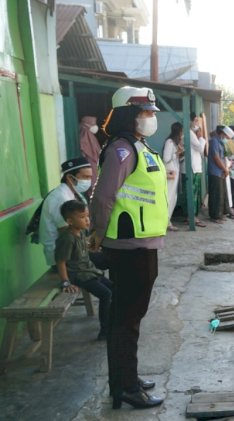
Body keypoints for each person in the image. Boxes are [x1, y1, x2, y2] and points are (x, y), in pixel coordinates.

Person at [91, 86, 165, 409]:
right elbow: (103, 197)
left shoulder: (139, 147)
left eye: (151, 113)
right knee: (126, 322)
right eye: (144, 113)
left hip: (143, 245)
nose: (150, 118)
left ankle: (124, 380)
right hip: (129, 248)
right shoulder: (121, 150)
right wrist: (98, 233)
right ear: (128, 116)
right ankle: (126, 388)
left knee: (129, 319)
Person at [55, 200, 112, 341]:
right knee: (105, 294)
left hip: (89, 271)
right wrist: (66, 283)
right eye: (82, 217)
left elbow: (83, 249)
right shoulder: (67, 238)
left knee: (114, 289)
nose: (87, 220)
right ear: (69, 221)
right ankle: (105, 331)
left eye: (87, 216)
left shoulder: (80, 233)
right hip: (79, 275)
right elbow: (60, 261)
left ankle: (113, 322)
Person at [39, 157, 92, 268]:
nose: (88, 181)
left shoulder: (72, 193)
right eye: (85, 177)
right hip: (64, 257)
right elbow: (66, 232)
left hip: (74, 251)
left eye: (90, 177)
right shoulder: (61, 198)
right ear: (70, 178)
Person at [180, 113, 207, 227]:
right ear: (190, 121)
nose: (197, 123)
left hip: (193, 167)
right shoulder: (190, 134)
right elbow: (200, 148)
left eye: (198, 121)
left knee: (192, 193)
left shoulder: (190, 133)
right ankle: (191, 217)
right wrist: (201, 137)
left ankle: (190, 216)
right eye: (195, 121)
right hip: (191, 168)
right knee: (192, 194)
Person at [207, 125, 234, 223]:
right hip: (215, 172)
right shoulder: (214, 141)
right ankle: (215, 216)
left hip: (221, 172)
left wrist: (225, 169)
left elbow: (224, 156)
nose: (226, 139)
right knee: (216, 195)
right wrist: (224, 169)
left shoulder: (220, 142)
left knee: (221, 194)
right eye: (226, 137)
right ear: (223, 134)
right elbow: (216, 157)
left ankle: (220, 214)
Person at [162, 122, 184, 232]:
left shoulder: (174, 143)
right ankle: (165, 222)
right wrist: (177, 153)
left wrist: (179, 153)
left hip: (174, 172)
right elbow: (166, 158)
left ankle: (167, 221)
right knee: (169, 198)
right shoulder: (169, 142)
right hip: (170, 173)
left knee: (173, 198)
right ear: (179, 131)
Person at [78, 116, 101, 196]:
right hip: (91, 163)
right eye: (93, 124)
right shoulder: (85, 134)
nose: (95, 126)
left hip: (94, 163)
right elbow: (84, 149)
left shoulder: (89, 134)